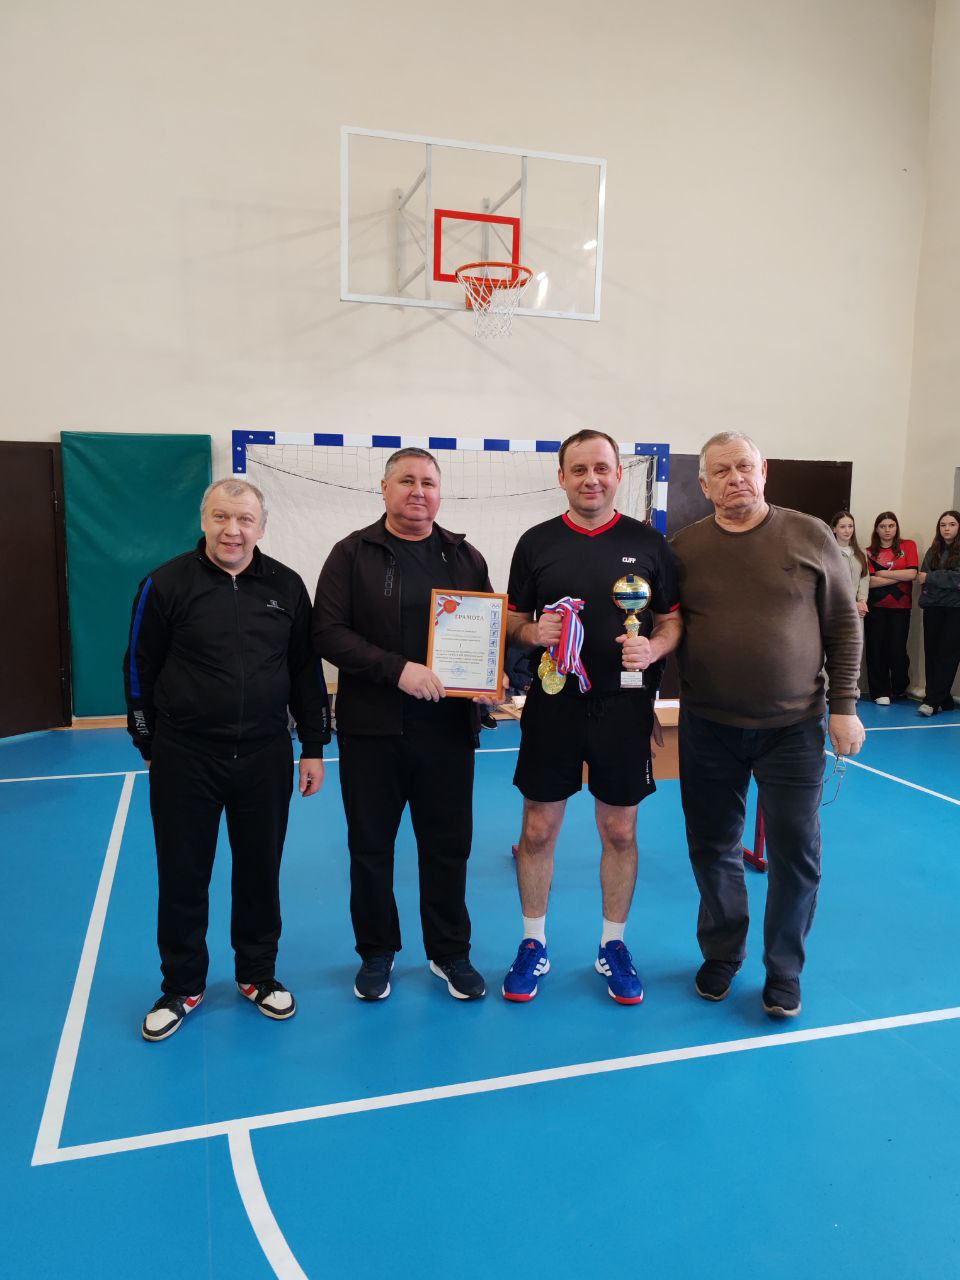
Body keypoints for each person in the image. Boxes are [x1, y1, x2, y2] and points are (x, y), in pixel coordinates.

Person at [124, 479, 330, 1042]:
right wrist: (151, 745)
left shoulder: (286, 586)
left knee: (260, 871)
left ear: (261, 527)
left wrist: (314, 745)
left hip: (265, 756)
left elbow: (305, 671)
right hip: (185, 757)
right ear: (204, 519)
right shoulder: (165, 584)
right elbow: (138, 668)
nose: (232, 530)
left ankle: (257, 974)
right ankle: (182, 984)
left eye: (244, 520)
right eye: (220, 517)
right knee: (183, 874)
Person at [671, 432, 864, 1019]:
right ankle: (722, 952)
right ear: (703, 484)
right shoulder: (682, 549)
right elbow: (661, 629)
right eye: (721, 471)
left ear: (764, 472)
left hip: (793, 728)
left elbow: (843, 625)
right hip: (708, 725)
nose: (735, 478)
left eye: (744, 466)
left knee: (795, 853)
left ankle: (784, 970)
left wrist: (845, 705)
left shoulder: (810, 535)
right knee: (712, 846)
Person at [500, 429, 682, 1005]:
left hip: (624, 708)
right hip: (553, 705)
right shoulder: (535, 543)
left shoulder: (650, 544)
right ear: (561, 477)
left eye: (601, 468)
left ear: (618, 474)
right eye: (578, 469)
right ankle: (533, 941)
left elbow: (671, 620)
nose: (591, 479)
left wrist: (652, 648)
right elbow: (511, 619)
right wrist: (533, 631)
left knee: (620, 831)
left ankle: (613, 944)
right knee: (537, 830)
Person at [312, 448, 492, 1002]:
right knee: (371, 847)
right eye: (407, 481)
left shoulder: (464, 556)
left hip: (447, 731)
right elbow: (328, 632)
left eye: (428, 482)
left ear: (440, 492)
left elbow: (487, 631)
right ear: (384, 488)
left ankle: (449, 951)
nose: (419, 491)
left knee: (448, 847)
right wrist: (398, 671)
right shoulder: (351, 554)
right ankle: (376, 952)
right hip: (372, 732)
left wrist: (494, 675)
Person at [864, 511, 918, 704]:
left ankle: (899, 688)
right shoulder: (868, 552)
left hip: (901, 608)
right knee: (876, 650)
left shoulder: (908, 545)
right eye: (883, 526)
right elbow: (869, 582)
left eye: (891, 526)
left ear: (896, 527)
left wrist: (883, 574)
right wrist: (899, 575)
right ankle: (880, 692)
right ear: (876, 529)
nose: (887, 530)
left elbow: (912, 574)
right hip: (876, 608)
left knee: (897, 650)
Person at [917, 510, 960, 716]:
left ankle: (932, 701)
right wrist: (944, 580)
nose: (947, 529)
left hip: (955, 610)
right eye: (943, 525)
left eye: (951, 524)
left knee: (947, 654)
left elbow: (957, 580)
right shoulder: (933, 550)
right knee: (932, 653)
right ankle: (944, 698)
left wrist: (933, 578)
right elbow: (922, 576)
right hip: (933, 607)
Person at [829, 511, 869, 619]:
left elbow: (864, 578)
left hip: (858, 610)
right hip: (835, 609)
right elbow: (829, 584)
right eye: (842, 527)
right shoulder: (828, 553)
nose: (847, 530)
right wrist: (852, 604)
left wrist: (862, 601)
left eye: (850, 526)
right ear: (834, 529)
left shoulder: (861, 553)